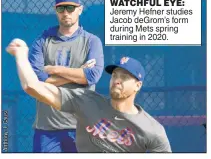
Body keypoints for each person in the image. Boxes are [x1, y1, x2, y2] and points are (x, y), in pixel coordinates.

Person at [7, 38, 171, 153]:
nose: (117, 80)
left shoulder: (153, 130)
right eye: (114, 75)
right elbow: (32, 87)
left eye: (125, 77)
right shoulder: (86, 101)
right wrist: (21, 55)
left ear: (138, 85)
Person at [28, 0, 104, 152]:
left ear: (80, 9)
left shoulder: (92, 41)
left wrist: (54, 70)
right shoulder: (42, 41)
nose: (66, 13)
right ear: (55, 10)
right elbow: (36, 81)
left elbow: (92, 75)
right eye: (61, 8)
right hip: (47, 130)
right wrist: (78, 73)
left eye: (70, 8)